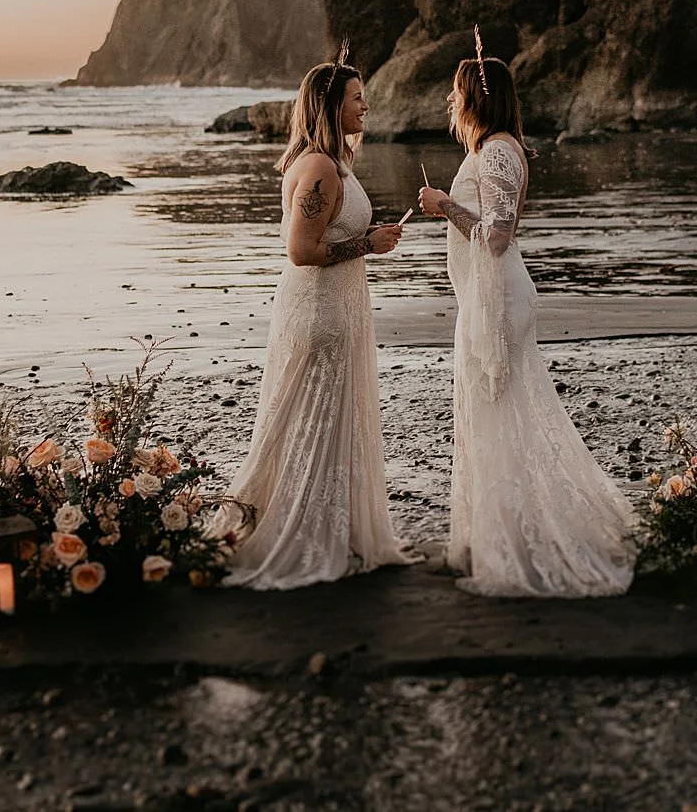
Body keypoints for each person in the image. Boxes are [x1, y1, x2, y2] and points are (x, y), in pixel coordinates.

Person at [417, 45, 634, 596]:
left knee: (501, 411)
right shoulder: (495, 147)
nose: (451, 102)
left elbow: (496, 234)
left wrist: (445, 205)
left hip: (499, 300)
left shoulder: (496, 153)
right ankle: (489, 534)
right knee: (488, 412)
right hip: (486, 296)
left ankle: (514, 542)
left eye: (457, 94)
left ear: (476, 100)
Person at [224, 56, 414, 588]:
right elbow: (302, 252)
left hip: (339, 305)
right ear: (333, 106)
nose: (366, 105)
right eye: (357, 97)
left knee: (331, 423)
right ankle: (298, 534)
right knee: (311, 421)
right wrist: (367, 244)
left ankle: (332, 529)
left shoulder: (336, 163)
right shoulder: (320, 168)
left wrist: (365, 237)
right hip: (319, 313)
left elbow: (327, 235)